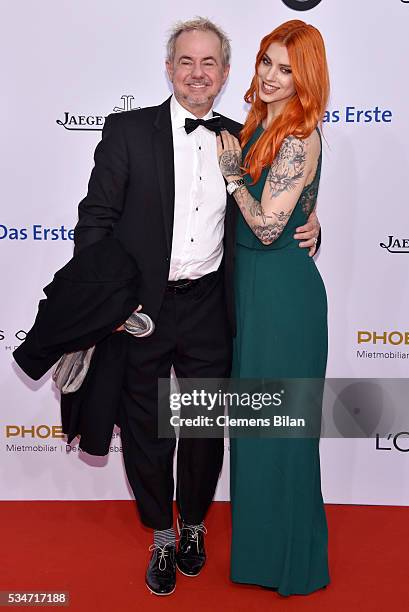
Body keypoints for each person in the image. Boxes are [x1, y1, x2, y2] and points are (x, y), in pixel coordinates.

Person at [73, 17, 320, 596]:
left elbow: (276, 208)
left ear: (226, 74)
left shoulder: (246, 138)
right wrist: (107, 302)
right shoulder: (128, 131)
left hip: (212, 304)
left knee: (205, 430)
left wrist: (311, 222)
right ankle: (162, 531)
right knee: (145, 430)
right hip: (143, 309)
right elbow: (96, 221)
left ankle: (196, 527)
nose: (198, 72)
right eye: (187, 61)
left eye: (210, 63)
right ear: (169, 68)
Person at [217, 20, 330, 596]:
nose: (269, 75)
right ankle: (260, 557)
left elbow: (264, 227)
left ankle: (291, 564)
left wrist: (233, 173)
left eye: (285, 69)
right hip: (254, 292)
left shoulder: (299, 135)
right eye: (266, 61)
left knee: (280, 431)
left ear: (305, 77)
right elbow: (296, 211)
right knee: (256, 428)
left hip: (283, 299)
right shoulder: (262, 123)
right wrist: (313, 223)